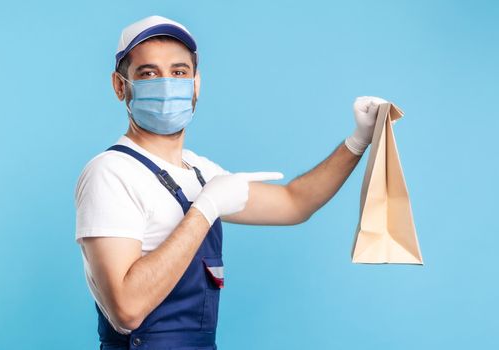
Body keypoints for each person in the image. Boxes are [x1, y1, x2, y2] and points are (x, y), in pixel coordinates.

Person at [74, 15, 388, 350]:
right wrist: (206, 208)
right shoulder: (110, 173)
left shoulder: (200, 170)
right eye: (148, 73)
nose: (167, 83)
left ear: (196, 84)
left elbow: (295, 203)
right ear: (121, 86)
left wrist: (358, 141)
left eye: (179, 72)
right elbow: (126, 310)